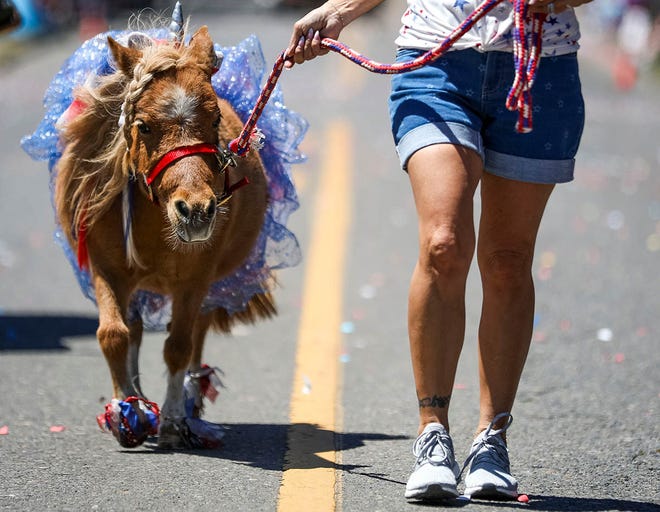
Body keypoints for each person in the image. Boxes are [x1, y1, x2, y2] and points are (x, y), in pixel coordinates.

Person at [286, 0, 592, 502]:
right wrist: (339, 11)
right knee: (443, 243)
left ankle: (491, 441)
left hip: (540, 65)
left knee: (508, 261)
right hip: (437, 61)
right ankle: (433, 436)